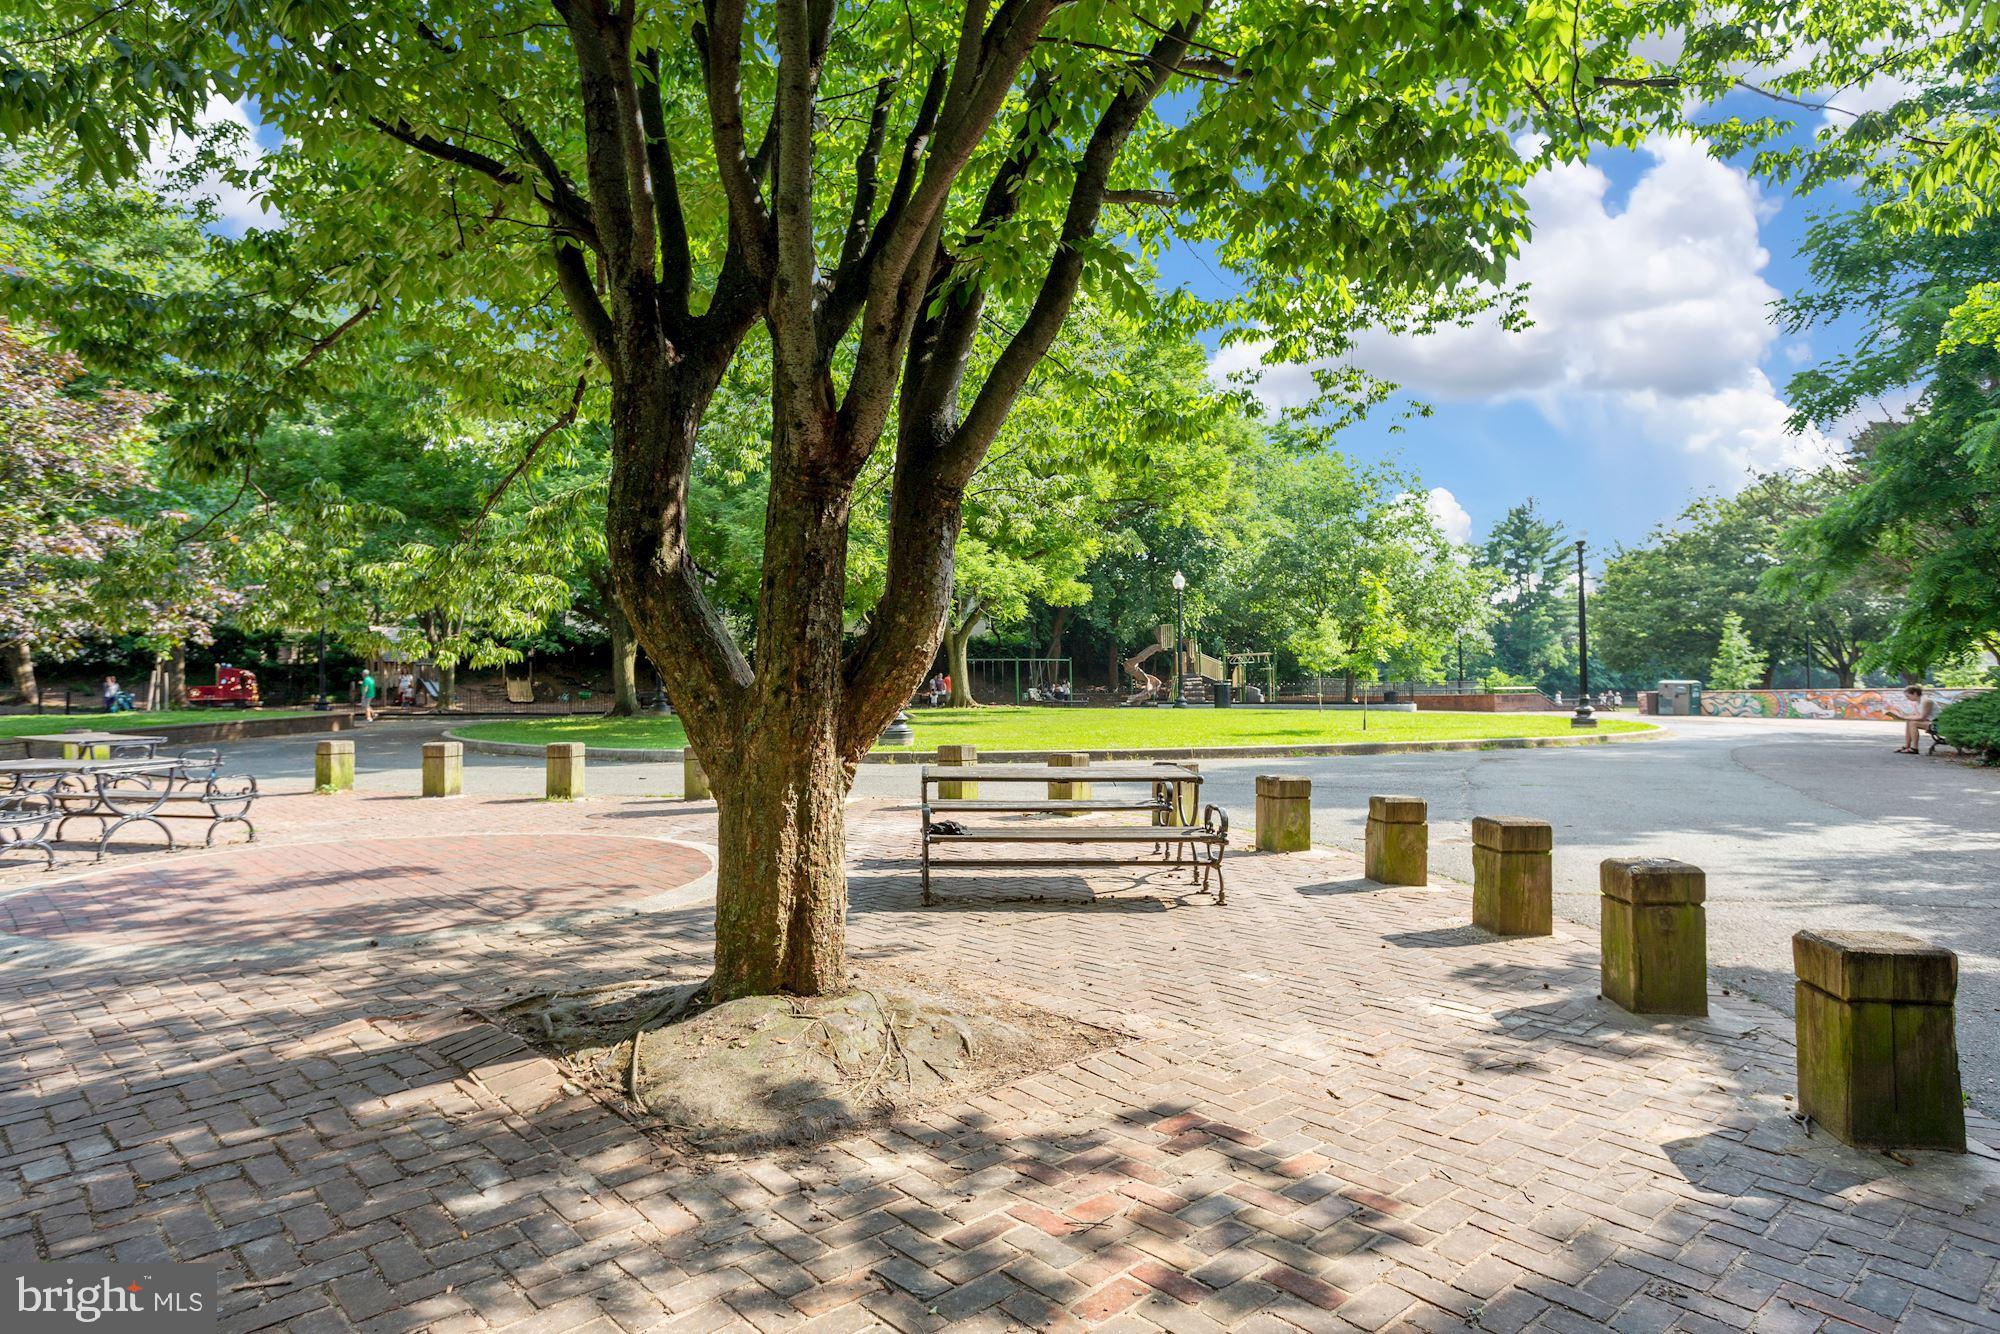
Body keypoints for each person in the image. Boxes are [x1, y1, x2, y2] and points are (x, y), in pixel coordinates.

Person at [1895, 684, 1940, 754]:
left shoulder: (1926, 701)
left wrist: (1903, 717)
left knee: (1913, 723)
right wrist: (1901, 715)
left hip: (1938, 725)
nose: (1907, 698)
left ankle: (1914, 748)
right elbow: (1915, 715)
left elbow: (1922, 717)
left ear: (1915, 693)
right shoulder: (1917, 702)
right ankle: (1907, 746)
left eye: (1908, 696)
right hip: (1931, 723)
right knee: (1909, 721)